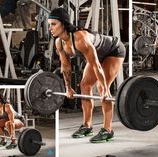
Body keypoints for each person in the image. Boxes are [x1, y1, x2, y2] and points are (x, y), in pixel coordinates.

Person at [48, 7, 126, 143]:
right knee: (84, 85)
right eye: (49, 24)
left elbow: (96, 64)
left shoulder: (79, 38)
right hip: (97, 55)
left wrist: (106, 89)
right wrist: (68, 87)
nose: (50, 28)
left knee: (103, 89)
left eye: (54, 24)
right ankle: (87, 126)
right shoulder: (59, 42)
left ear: (64, 23)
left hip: (113, 50)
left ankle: (108, 130)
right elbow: (65, 67)